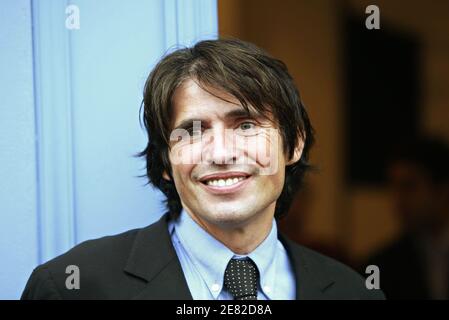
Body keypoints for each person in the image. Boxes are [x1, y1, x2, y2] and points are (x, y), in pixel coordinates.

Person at [21, 39, 384, 300]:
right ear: (165, 160)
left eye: (245, 125)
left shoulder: (354, 292)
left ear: (294, 144)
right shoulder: (74, 287)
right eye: (193, 131)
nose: (222, 153)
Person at [364, 136, 449, 299]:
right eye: (394, 187)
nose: (398, 199)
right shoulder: (380, 266)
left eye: (409, 186)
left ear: (442, 191)